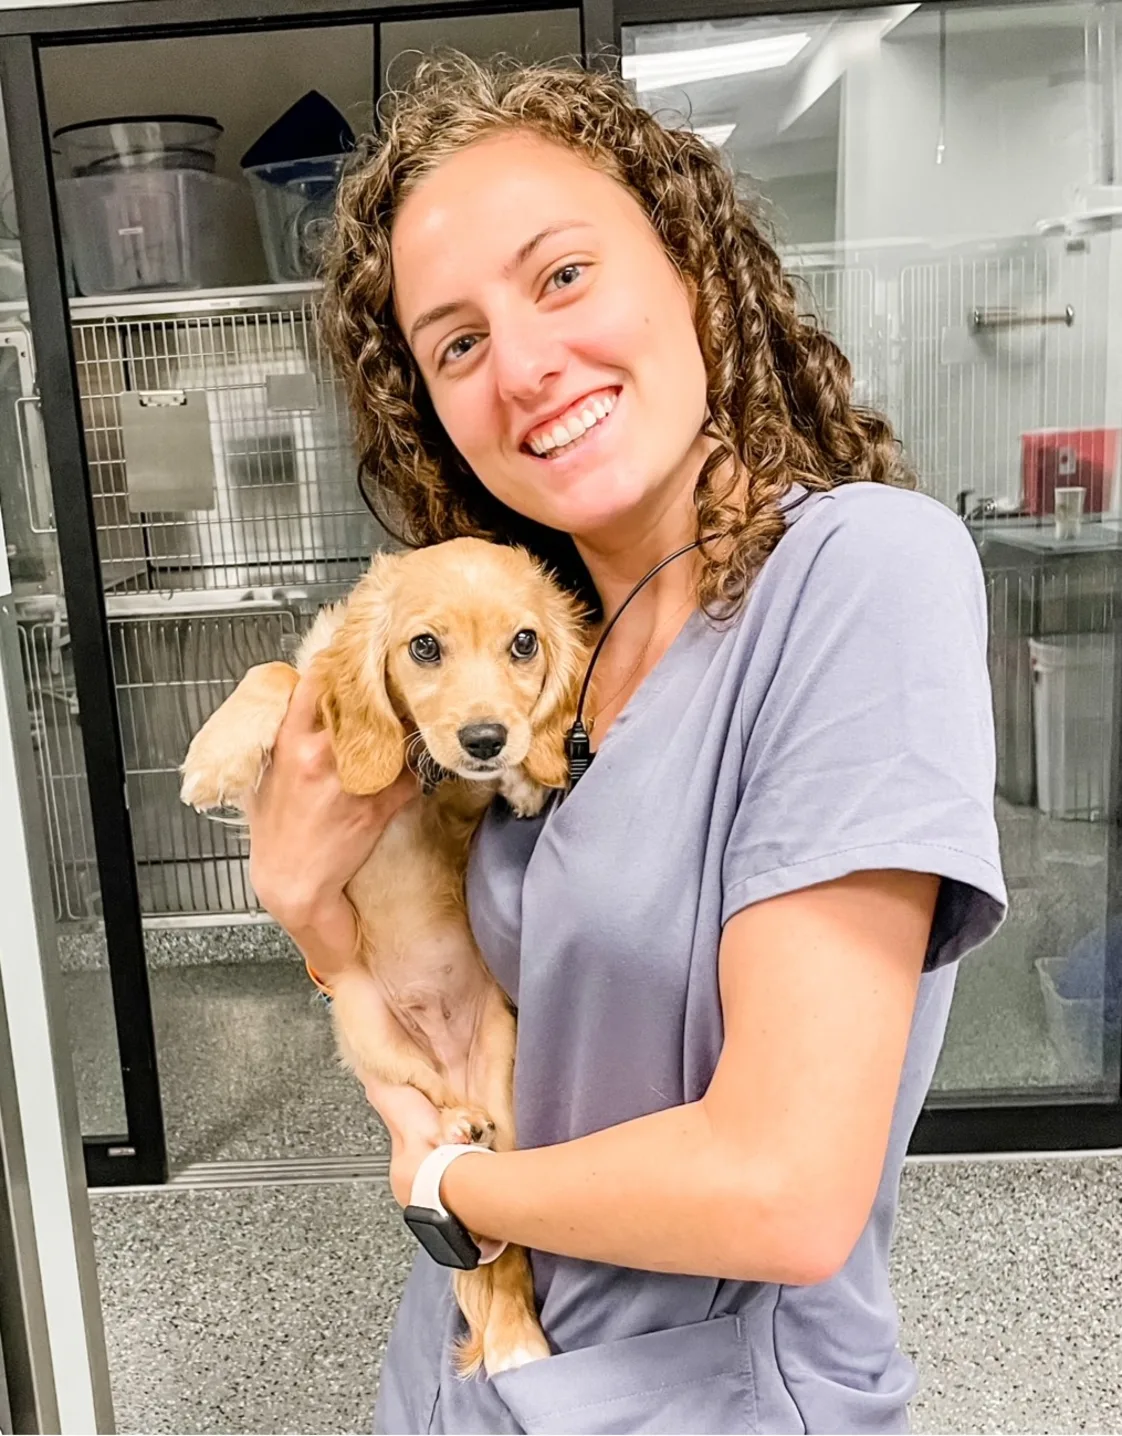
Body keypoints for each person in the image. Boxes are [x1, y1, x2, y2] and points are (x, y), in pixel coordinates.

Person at [246, 52, 1007, 1435]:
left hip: (700, 1402)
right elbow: (437, 980)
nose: (525, 367)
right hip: (464, 1365)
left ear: (693, 267)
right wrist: (306, 904)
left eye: (562, 276)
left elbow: (780, 1192)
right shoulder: (546, 645)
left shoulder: (858, 576)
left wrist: (445, 1192)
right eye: (457, 341)